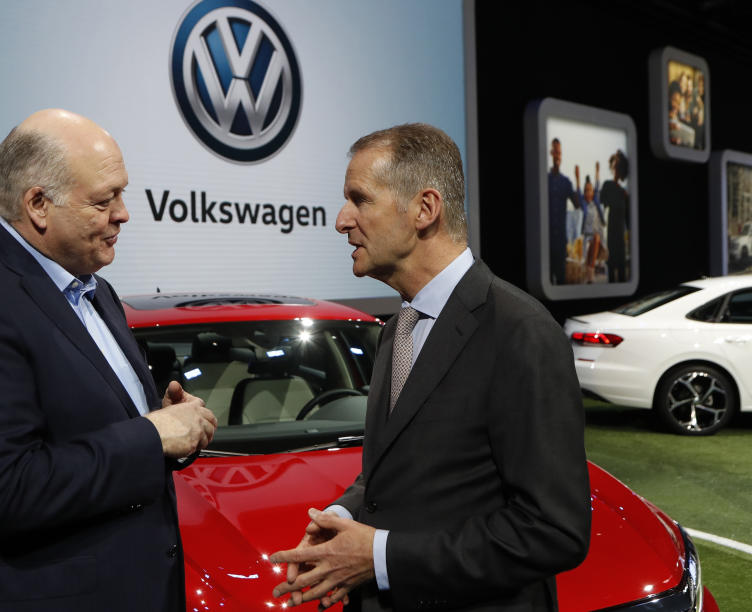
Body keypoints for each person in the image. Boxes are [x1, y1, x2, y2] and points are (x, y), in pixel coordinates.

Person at [0, 109, 217, 611]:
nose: (124, 213)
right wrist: (151, 435)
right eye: (103, 199)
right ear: (39, 204)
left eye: (123, 193)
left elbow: (76, 425)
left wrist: (165, 422)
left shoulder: (97, 290)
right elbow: (8, 490)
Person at [270, 124, 590, 611]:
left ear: (424, 209)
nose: (341, 220)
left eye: (360, 199)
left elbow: (553, 530)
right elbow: (399, 467)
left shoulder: (521, 332)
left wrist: (378, 556)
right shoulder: (398, 326)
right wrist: (342, 515)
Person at [547, 138, 576, 285]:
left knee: (561, 281)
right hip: (546, 243)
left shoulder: (566, 182)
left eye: (560, 153)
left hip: (560, 243)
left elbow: (577, 204)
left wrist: (577, 180)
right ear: (551, 153)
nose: (558, 156)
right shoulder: (545, 180)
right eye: (555, 152)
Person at [600, 150, 629, 283]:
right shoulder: (607, 186)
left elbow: (628, 221)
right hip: (610, 236)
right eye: (614, 164)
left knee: (622, 271)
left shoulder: (624, 193)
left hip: (620, 238)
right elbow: (600, 207)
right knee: (611, 270)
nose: (616, 168)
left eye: (618, 165)